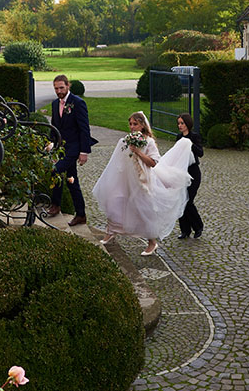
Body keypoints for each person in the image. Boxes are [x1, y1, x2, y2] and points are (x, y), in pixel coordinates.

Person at [92, 112, 192, 256]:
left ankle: (152, 242)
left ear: (142, 125)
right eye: (131, 124)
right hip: (126, 179)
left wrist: (138, 152)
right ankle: (111, 232)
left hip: (142, 181)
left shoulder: (149, 141)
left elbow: (153, 162)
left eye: (135, 124)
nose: (132, 127)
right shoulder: (127, 140)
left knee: (143, 209)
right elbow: (119, 159)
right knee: (115, 202)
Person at [47, 74, 97, 225]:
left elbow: (84, 129)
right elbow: (55, 126)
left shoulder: (78, 103)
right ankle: (81, 214)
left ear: (68, 86)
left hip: (74, 148)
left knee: (55, 171)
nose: (59, 91)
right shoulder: (55, 104)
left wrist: (84, 152)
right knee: (71, 180)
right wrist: (51, 142)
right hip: (61, 148)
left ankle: (55, 205)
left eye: (61, 87)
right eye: (56, 88)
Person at [175, 113, 204, 239]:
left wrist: (189, 143)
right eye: (179, 123)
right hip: (182, 172)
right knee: (181, 200)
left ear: (187, 124)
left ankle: (198, 226)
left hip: (193, 173)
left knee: (188, 201)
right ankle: (185, 230)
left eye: (182, 123)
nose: (180, 126)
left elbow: (200, 153)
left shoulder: (194, 136)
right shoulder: (178, 137)